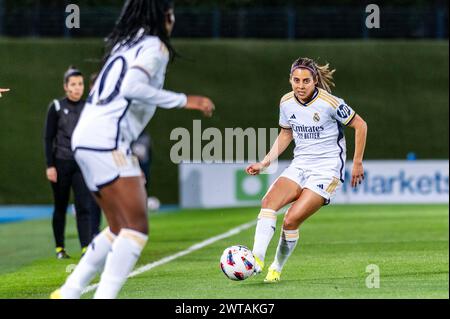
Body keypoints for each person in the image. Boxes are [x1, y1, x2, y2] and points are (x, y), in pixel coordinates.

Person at [51, 0, 214, 299]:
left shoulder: (125, 44)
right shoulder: (154, 47)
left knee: (117, 227)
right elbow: (131, 88)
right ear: (165, 16)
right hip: (107, 139)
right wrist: (184, 100)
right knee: (136, 228)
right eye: (171, 12)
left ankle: (70, 291)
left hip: (87, 135)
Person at [247, 57, 367, 283]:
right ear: (290, 80)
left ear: (315, 81)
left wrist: (357, 162)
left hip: (327, 170)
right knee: (268, 203)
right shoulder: (286, 102)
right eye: (296, 80)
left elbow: (360, 124)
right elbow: (286, 134)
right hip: (300, 165)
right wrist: (264, 162)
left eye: (306, 81)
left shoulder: (330, 102)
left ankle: (276, 267)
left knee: (291, 221)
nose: (300, 86)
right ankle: (256, 259)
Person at [44, 67, 102, 259]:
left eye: (80, 84)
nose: (78, 88)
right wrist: (50, 166)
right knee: (60, 207)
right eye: (73, 84)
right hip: (61, 164)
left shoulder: (89, 107)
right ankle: (60, 248)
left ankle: (86, 247)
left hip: (81, 164)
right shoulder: (57, 107)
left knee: (84, 206)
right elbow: (48, 138)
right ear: (65, 86)